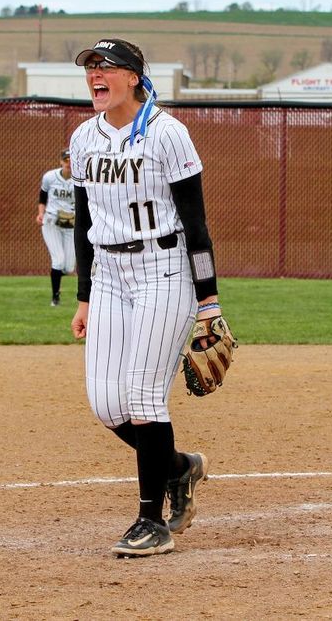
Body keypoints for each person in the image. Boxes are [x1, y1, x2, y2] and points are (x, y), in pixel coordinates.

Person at [68, 38, 222, 557]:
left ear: (134, 76)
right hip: (109, 272)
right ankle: (179, 468)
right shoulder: (84, 138)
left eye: (106, 66)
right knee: (106, 404)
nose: (95, 74)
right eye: (91, 67)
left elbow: (197, 223)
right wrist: (85, 296)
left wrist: (209, 301)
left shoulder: (168, 134)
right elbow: (85, 223)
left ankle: (150, 521)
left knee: (141, 395)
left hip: (164, 267)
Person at [36, 148, 76, 306]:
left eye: (71, 161)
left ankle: (58, 275)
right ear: (61, 162)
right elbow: (42, 197)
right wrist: (40, 214)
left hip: (71, 223)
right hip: (52, 221)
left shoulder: (81, 179)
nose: (69, 164)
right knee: (58, 261)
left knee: (68, 267)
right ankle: (55, 297)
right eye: (66, 160)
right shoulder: (50, 177)